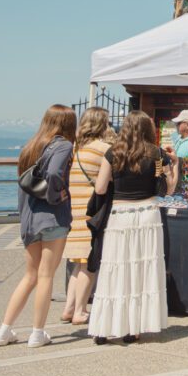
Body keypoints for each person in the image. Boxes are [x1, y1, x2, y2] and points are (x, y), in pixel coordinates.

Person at [0, 104, 76, 347]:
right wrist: (56, 196)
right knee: (46, 274)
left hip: (29, 219)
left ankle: (4, 330)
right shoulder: (63, 145)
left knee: (30, 275)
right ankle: (37, 333)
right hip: (52, 218)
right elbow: (53, 174)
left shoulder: (30, 146)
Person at [88, 111, 173, 345]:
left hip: (120, 216)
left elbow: (101, 188)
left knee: (114, 269)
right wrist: (171, 166)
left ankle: (104, 328)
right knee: (141, 270)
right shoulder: (156, 154)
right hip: (147, 214)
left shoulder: (113, 152)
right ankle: (132, 329)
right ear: (148, 129)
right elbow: (168, 189)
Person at [62, 106, 113, 325]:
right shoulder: (104, 149)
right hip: (92, 212)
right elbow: (109, 180)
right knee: (89, 265)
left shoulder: (73, 149)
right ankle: (80, 310)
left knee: (77, 264)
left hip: (72, 211)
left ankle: (68, 307)